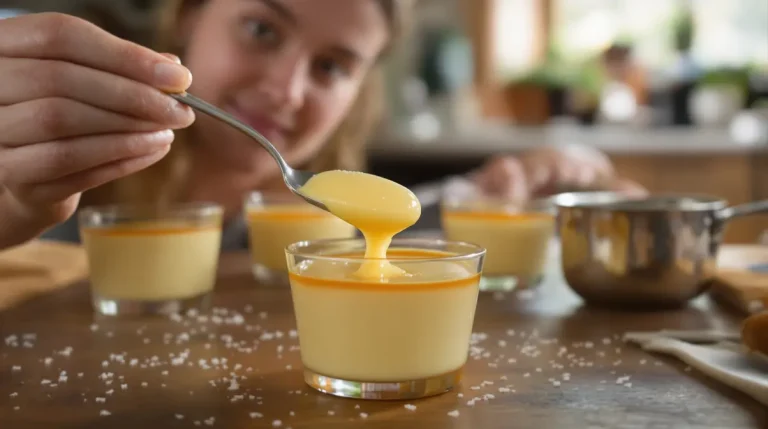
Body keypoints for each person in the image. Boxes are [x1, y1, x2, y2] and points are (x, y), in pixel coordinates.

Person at [0, 0, 645, 251]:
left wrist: (555, 171)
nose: (286, 90)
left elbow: (458, 209)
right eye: (261, 30)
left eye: (333, 67)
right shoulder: (54, 150)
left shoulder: (338, 223)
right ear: (191, 16)